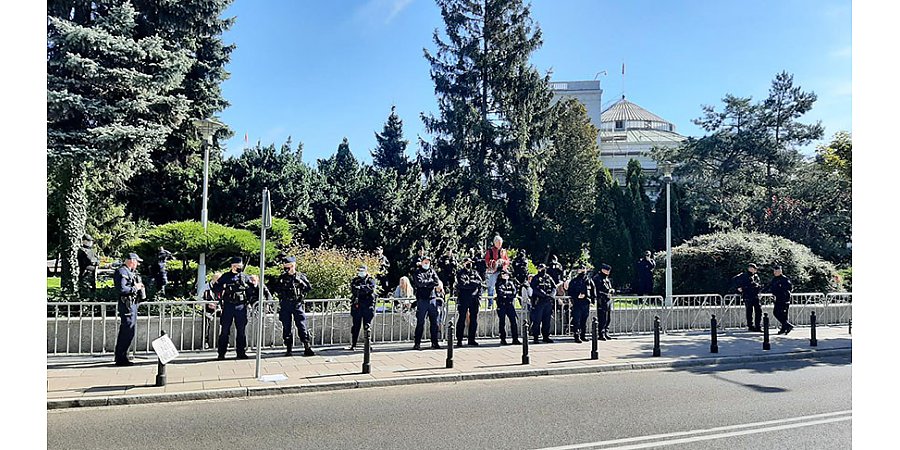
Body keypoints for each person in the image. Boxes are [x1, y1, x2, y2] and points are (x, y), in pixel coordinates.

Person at [212, 257, 255, 360]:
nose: (237, 268)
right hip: (228, 306)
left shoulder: (244, 277)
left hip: (241, 306)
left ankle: (241, 353)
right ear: (231, 266)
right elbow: (215, 288)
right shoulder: (226, 277)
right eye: (235, 266)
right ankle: (221, 353)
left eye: (239, 266)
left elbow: (252, 291)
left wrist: (248, 286)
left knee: (241, 331)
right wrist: (224, 286)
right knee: (225, 330)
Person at [272, 256, 315, 357]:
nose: (285, 268)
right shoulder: (282, 278)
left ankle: (307, 346)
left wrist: (300, 284)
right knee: (286, 327)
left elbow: (309, 288)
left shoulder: (300, 276)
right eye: (285, 266)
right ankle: (288, 348)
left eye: (287, 266)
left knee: (301, 325)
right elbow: (276, 289)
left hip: (297, 304)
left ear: (292, 265)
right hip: (285, 304)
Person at [113, 253, 145, 366]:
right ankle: (121, 358)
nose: (137, 264)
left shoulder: (129, 272)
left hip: (132, 305)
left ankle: (123, 356)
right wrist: (135, 288)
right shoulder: (122, 272)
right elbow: (122, 289)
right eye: (137, 262)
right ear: (131, 261)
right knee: (127, 331)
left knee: (130, 331)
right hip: (127, 305)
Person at [411, 256, 442, 350]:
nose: (426, 263)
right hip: (422, 299)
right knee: (420, 322)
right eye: (425, 261)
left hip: (432, 299)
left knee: (434, 322)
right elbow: (420, 283)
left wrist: (428, 283)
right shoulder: (417, 272)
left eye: (428, 262)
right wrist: (430, 282)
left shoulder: (432, 271)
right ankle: (417, 343)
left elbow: (436, 282)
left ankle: (434, 342)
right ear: (421, 262)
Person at [346, 265, 377, 350]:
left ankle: (368, 345)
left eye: (362, 270)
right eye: (359, 270)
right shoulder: (355, 280)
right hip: (357, 306)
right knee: (356, 326)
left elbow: (370, 289)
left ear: (366, 271)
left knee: (367, 326)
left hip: (368, 306)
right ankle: (354, 344)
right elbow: (353, 290)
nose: (360, 272)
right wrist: (363, 289)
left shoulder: (370, 280)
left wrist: (361, 288)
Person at [455, 257, 484, 346]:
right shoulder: (460, 273)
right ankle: (459, 340)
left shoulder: (475, 272)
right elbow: (463, 284)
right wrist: (473, 284)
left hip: (474, 299)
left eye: (470, 262)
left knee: (473, 319)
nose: (469, 264)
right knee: (462, 319)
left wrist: (471, 283)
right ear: (464, 263)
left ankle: (471, 339)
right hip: (464, 298)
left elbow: (480, 282)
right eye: (467, 262)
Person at [567, 263, 595, 343]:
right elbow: (570, 292)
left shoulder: (589, 281)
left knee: (584, 320)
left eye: (584, 268)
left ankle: (583, 335)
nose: (582, 270)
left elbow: (593, 291)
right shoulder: (574, 281)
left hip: (586, 303)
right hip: (577, 303)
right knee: (577, 320)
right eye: (581, 268)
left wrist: (592, 300)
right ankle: (577, 336)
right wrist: (577, 296)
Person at [529, 264, 556, 343]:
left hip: (548, 302)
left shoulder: (548, 277)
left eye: (543, 268)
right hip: (539, 301)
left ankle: (546, 336)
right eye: (540, 268)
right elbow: (535, 289)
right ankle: (536, 337)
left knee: (547, 320)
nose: (542, 269)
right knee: (537, 320)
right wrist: (544, 295)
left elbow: (554, 287)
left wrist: (551, 295)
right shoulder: (536, 278)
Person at [765, 265, 794, 334]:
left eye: (776, 271)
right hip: (778, 298)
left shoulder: (784, 279)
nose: (775, 272)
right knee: (780, 314)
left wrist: (781, 290)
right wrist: (761, 291)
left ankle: (787, 326)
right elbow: (769, 286)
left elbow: (789, 288)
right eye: (774, 271)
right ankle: (785, 327)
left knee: (778, 313)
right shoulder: (775, 279)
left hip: (784, 299)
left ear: (780, 271)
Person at [733, 263, 763, 332]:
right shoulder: (744, 275)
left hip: (755, 295)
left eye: (754, 268)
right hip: (748, 295)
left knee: (758, 311)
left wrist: (759, 290)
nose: (753, 270)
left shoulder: (756, 276)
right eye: (751, 268)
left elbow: (759, 285)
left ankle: (758, 326)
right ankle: (750, 326)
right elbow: (735, 281)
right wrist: (738, 288)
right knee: (749, 311)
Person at [494, 268, 521, 345]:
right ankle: (503, 339)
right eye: (504, 274)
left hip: (510, 304)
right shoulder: (499, 283)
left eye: (507, 274)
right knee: (502, 322)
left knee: (513, 321)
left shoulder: (510, 283)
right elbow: (500, 293)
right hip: (502, 304)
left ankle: (515, 339)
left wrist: (508, 294)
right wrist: (508, 294)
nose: (506, 276)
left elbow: (514, 292)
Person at [484, 235, 510, 308]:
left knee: (504, 286)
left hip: (502, 271)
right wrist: (493, 262)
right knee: (491, 287)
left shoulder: (504, 251)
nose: (500, 244)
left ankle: (503, 302)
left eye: (500, 243)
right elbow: (486, 260)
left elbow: (508, 261)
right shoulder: (490, 251)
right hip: (493, 271)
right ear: (494, 243)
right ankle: (490, 303)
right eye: (498, 242)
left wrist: (503, 261)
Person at [593, 264, 615, 341]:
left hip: (608, 300)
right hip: (602, 300)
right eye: (607, 270)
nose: (608, 272)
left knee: (608, 318)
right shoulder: (597, 278)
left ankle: (606, 332)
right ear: (603, 270)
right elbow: (597, 291)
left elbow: (609, 287)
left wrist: (611, 290)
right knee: (602, 318)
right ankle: (601, 333)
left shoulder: (606, 278)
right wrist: (606, 293)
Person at [77, 234, 100, 299]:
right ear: (84, 241)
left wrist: (95, 261)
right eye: (89, 241)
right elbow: (90, 260)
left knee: (92, 291)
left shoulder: (92, 251)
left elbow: (97, 261)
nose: (91, 243)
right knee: (85, 291)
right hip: (85, 274)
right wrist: (94, 261)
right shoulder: (82, 250)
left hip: (92, 274)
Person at [202, 273, 221, 349]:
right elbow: (199, 299)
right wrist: (208, 304)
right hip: (208, 310)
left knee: (225, 320)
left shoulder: (222, 287)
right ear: (214, 279)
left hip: (219, 308)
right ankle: (205, 342)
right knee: (206, 323)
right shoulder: (206, 287)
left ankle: (223, 341)